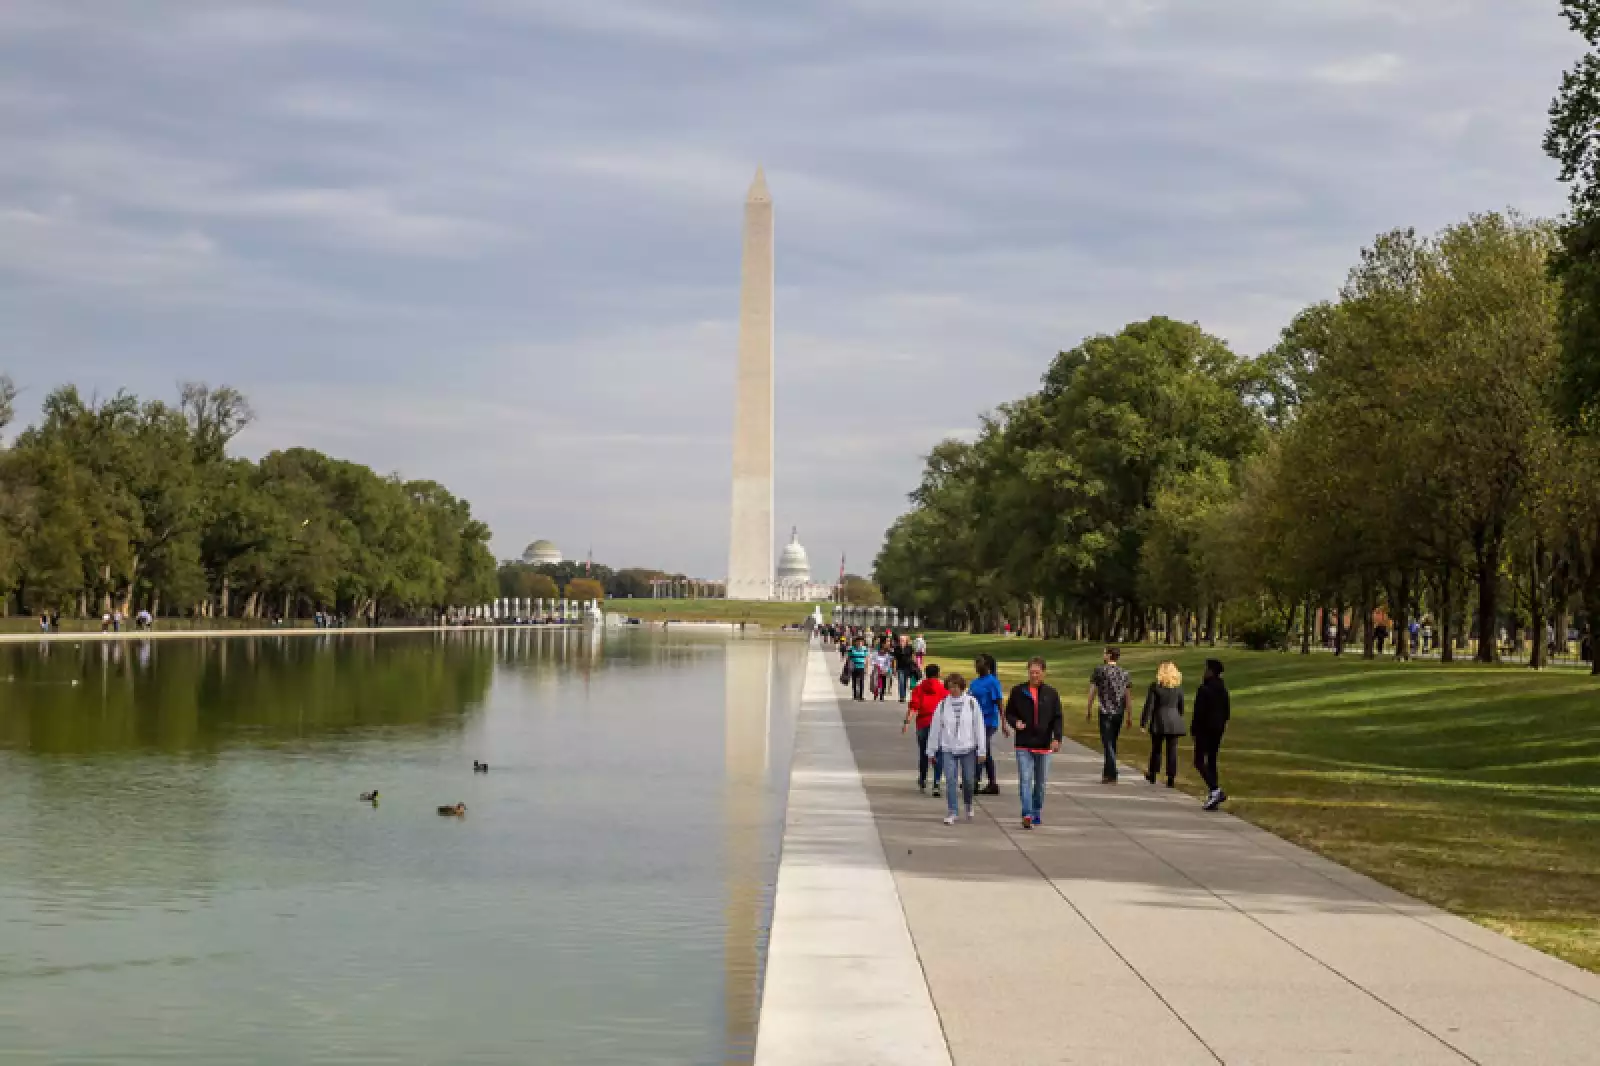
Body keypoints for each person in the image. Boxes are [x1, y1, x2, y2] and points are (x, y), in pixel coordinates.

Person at [1004, 656, 1062, 830]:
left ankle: (1036, 810)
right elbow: (1009, 713)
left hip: (1044, 744)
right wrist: (1015, 723)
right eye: (1031, 672)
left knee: (1040, 782)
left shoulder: (1051, 694)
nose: (1034, 675)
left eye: (1037, 672)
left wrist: (1057, 738)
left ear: (1043, 673)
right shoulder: (1018, 691)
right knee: (1025, 779)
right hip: (1024, 743)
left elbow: (1057, 717)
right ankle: (1027, 814)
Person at [925, 673, 987, 825]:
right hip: (948, 747)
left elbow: (979, 727)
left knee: (968, 780)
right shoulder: (942, 705)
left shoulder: (971, 703)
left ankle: (968, 803)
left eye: (956, 687)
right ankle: (952, 811)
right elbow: (935, 728)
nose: (953, 690)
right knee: (950, 780)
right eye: (950, 687)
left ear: (961, 687)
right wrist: (931, 750)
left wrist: (982, 750)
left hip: (968, 747)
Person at [1086, 647, 1131, 783]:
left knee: (1108, 742)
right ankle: (1107, 773)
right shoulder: (1124, 673)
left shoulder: (1100, 671)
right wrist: (1129, 714)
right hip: (1119, 712)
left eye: (1105, 653)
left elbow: (1092, 691)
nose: (1103, 655)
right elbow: (1127, 696)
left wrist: (1088, 708)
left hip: (1105, 711)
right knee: (1111, 742)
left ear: (1109, 655)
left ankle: (1112, 773)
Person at [1192, 658, 1232, 810]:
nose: (1204, 672)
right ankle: (1213, 793)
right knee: (1212, 761)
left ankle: (1215, 789)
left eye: (1206, 669)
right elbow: (1227, 712)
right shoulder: (1223, 690)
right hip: (1217, 729)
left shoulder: (1204, 689)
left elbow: (1199, 712)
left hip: (1204, 729)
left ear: (1211, 672)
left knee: (1199, 761)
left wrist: (1194, 730)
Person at [904, 664, 948, 794]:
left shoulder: (919, 688)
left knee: (923, 753)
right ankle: (936, 782)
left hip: (923, 723)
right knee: (938, 754)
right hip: (939, 725)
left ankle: (923, 779)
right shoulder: (943, 689)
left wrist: (907, 722)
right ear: (938, 674)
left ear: (926, 674)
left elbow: (913, 706)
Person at [1141, 660, 1185, 788]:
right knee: (1172, 750)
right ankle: (1171, 777)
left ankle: (1153, 773)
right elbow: (1181, 706)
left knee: (1156, 748)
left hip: (1159, 720)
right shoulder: (1178, 688)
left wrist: (1144, 722)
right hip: (1174, 720)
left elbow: (1149, 705)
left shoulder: (1155, 687)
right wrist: (1178, 716)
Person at [969, 654, 1005, 795]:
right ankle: (992, 783)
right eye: (975, 663)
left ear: (987, 665)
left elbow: (999, 702)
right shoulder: (974, 683)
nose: (976, 666)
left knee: (981, 748)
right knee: (984, 751)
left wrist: (1003, 722)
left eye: (979, 663)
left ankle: (975, 780)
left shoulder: (993, 682)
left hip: (989, 721)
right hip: (975, 721)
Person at [893, 636, 921, 702]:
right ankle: (902, 697)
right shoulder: (896, 648)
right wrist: (894, 668)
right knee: (901, 682)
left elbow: (913, 656)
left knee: (906, 682)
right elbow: (895, 658)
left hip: (909, 667)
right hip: (900, 667)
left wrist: (915, 665)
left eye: (903, 640)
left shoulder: (909, 647)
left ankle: (907, 696)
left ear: (906, 641)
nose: (901, 641)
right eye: (900, 640)